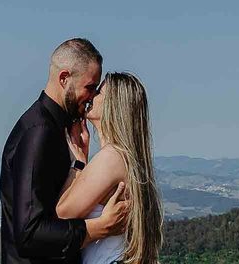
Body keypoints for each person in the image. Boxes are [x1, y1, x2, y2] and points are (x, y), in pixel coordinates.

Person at [0, 38, 130, 264]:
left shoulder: (60, 129)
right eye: (89, 87)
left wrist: (79, 167)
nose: (92, 97)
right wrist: (98, 228)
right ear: (64, 78)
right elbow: (29, 234)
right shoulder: (39, 132)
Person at [56, 72, 163, 264]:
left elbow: (61, 215)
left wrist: (78, 166)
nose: (91, 96)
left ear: (113, 105)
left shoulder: (111, 158)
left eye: (98, 92)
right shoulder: (128, 160)